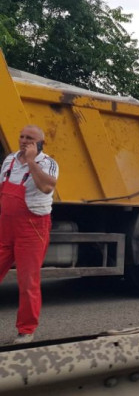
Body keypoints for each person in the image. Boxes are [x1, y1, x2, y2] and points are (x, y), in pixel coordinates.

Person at [0, 125, 58, 344]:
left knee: (28, 281)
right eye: (22, 136)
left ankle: (26, 330)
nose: (24, 141)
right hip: (6, 226)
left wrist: (32, 161)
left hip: (32, 228)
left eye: (30, 139)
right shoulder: (10, 160)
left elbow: (47, 187)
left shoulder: (48, 163)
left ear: (40, 143)